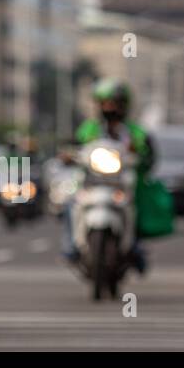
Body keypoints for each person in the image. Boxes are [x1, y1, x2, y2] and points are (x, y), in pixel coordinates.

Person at [62, 77, 155, 273]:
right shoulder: (89, 129)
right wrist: (68, 155)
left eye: (114, 103)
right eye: (105, 103)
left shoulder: (134, 131)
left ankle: (135, 246)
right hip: (93, 182)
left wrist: (141, 155)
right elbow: (75, 147)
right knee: (71, 204)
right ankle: (71, 246)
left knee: (136, 204)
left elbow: (148, 153)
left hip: (120, 183)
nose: (109, 107)